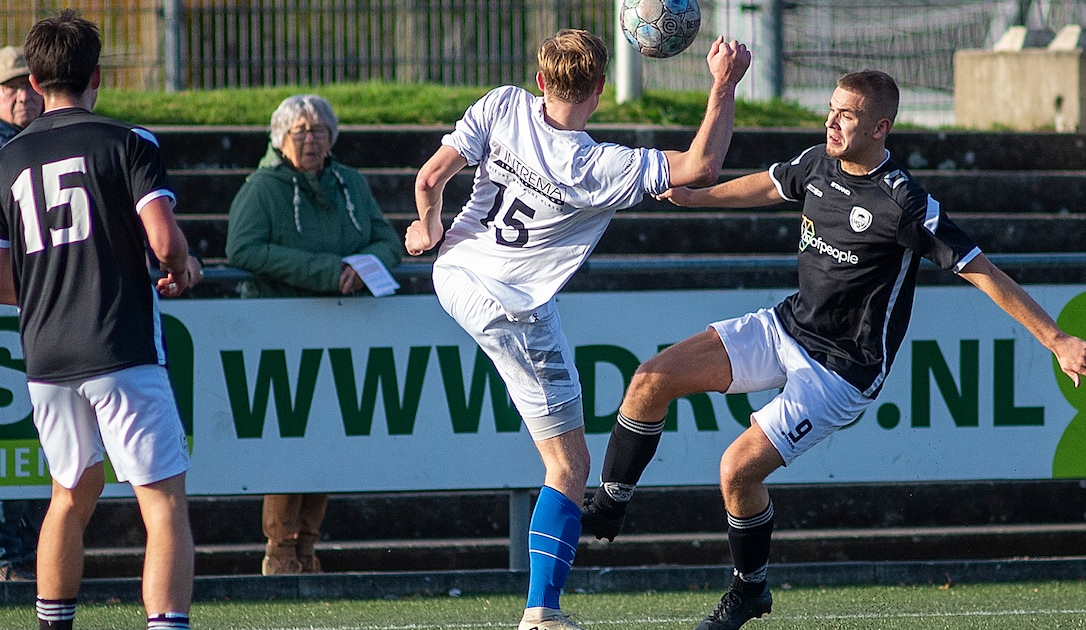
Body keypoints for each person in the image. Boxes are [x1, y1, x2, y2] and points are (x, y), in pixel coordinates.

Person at [582, 69, 1086, 630]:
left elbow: (980, 271)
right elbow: (768, 184)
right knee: (649, 379)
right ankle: (611, 503)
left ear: (881, 127)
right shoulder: (816, 163)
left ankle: (750, 591)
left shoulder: (905, 203)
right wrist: (694, 197)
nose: (832, 122)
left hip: (841, 371)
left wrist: (1057, 340)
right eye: (831, 109)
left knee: (736, 471)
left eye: (848, 115)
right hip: (788, 326)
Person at [405, 28, 750, 630]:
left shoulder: (502, 104)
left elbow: (431, 180)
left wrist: (426, 231)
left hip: (454, 274)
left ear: (540, 80)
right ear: (600, 89)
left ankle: (544, 608)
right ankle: (542, 611)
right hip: (513, 306)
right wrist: (723, 86)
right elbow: (700, 166)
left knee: (564, 455)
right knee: (569, 465)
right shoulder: (600, 164)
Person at [0, 9, 199, 630]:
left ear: (34, 81)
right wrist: (181, 264)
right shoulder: (129, 142)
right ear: (98, 77)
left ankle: (53, 623)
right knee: (162, 503)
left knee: (68, 495)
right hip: (119, 344)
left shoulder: (7, 161)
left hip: (46, 356)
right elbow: (163, 243)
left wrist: (47, 294)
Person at [225, 93, 404, 575]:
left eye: (319, 130)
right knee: (290, 439)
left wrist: (366, 268)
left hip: (341, 328)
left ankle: (308, 548)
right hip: (278, 330)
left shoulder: (350, 183)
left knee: (325, 438)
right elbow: (241, 247)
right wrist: (326, 271)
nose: (310, 138)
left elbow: (387, 239)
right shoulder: (263, 187)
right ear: (280, 138)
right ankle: (280, 552)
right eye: (300, 131)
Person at [0, 43, 46, 583]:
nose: (19, 97)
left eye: (27, 86)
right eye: (9, 87)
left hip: (37, 313)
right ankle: (11, 558)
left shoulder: (44, 143)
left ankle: (23, 555)